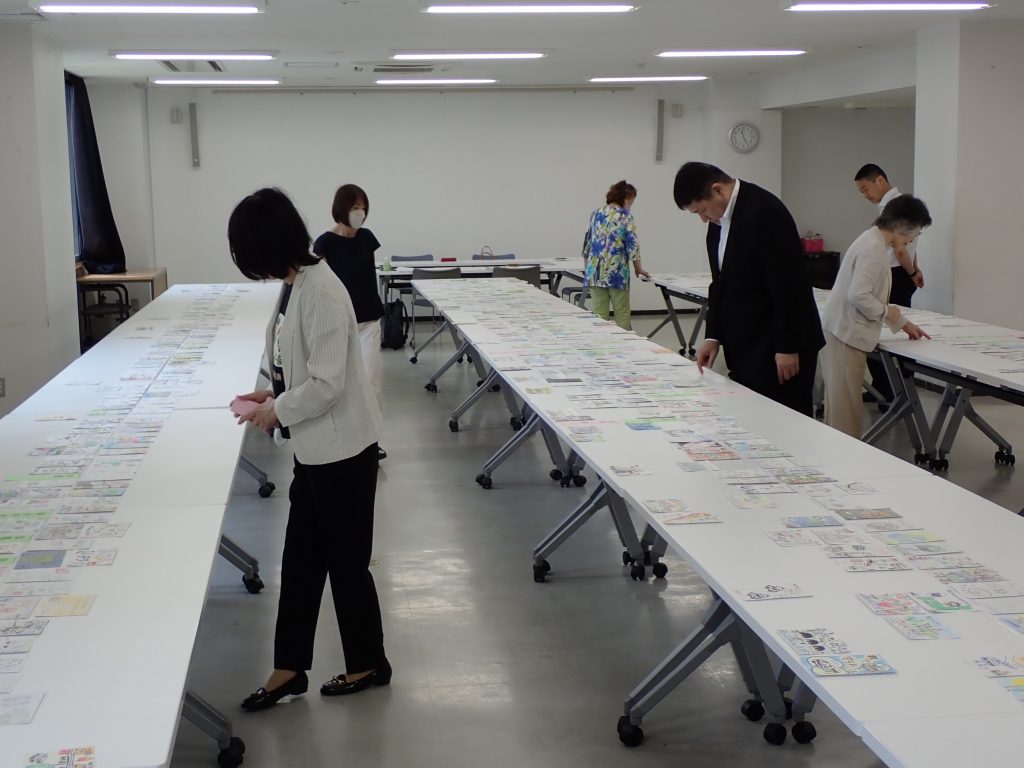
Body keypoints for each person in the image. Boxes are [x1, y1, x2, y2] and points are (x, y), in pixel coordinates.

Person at [227, 188, 390, 713]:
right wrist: (271, 395)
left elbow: (326, 385)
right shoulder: (296, 284)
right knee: (300, 563)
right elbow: (299, 366)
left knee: (346, 564)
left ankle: (369, 663)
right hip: (317, 451)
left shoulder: (319, 290)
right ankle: (290, 667)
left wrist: (276, 411)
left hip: (344, 451)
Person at [673, 162, 824, 416]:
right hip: (749, 347)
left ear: (718, 190)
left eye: (702, 210)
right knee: (752, 422)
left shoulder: (764, 211)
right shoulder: (718, 222)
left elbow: (789, 284)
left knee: (786, 422)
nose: (703, 219)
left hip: (779, 346)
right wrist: (713, 336)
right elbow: (719, 283)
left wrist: (787, 346)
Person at [822, 194, 932, 438]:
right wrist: (889, 313)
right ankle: (845, 460)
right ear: (901, 225)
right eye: (916, 232)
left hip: (841, 331)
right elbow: (859, 295)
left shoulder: (872, 240)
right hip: (845, 334)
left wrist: (902, 322)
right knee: (845, 415)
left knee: (841, 409)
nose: (913, 239)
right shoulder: (873, 249)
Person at [313, 183, 387, 461]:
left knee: (370, 380)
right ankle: (342, 438)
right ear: (341, 209)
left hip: (368, 319)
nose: (360, 213)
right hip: (338, 324)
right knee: (338, 384)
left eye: (363, 208)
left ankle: (372, 441)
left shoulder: (367, 238)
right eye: (355, 207)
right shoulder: (325, 243)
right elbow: (315, 279)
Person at [855, 164, 923, 403]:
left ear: (880, 180)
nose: (865, 195)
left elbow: (901, 248)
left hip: (895, 274)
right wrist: (915, 270)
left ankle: (893, 392)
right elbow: (909, 246)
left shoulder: (895, 207)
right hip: (900, 273)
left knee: (886, 334)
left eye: (865, 189)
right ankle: (886, 389)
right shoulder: (901, 204)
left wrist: (912, 271)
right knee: (890, 332)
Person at [582, 180, 650, 331]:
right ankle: (623, 342)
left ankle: (601, 342)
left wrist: (588, 269)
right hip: (617, 273)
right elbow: (633, 245)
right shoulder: (626, 216)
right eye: (631, 202)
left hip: (595, 272)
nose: (630, 206)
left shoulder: (596, 214)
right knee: (622, 314)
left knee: (599, 315)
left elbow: (587, 243)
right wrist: (638, 268)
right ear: (626, 198)